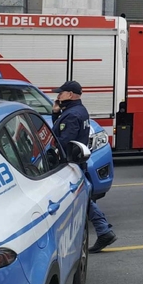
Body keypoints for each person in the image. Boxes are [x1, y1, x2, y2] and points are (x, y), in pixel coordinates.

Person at [52, 81, 117, 252]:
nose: (58, 96)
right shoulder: (79, 110)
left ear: (71, 95)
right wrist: (55, 114)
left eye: (61, 93)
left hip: (70, 162)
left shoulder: (72, 115)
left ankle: (104, 231)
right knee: (85, 196)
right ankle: (104, 230)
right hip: (77, 161)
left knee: (82, 197)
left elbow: (63, 141)